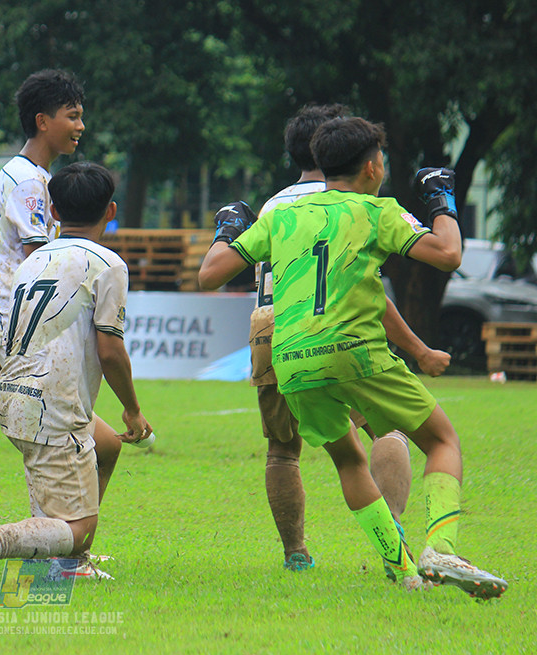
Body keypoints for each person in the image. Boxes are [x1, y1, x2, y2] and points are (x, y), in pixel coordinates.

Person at [198, 116, 507, 598]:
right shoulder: (376, 211)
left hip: (293, 360)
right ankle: (440, 547)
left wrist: (227, 229)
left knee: (347, 461)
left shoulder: (279, 216)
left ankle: (404, 571)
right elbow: (448, 254)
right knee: (443, 441)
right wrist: (441, 199)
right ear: (371, 165)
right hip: (356, 353)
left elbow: (209, 275)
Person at [245, 104, 451, 573]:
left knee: (283, 450)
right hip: (336, 329)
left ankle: (295, 552)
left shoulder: (275, 205)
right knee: (387, 427)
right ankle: (391, 529)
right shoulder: (351, 202)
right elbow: (370, 292)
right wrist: (417, 349)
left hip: (270, 332)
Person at [0, 162, 150, 589]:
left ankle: (68, 559)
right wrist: (133, 409)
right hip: (53, 402)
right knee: (78, 525)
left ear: (53, 212)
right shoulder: (108, 263)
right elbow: (110, 350)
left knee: (107, 445)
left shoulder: (31, 261)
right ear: (111, 211)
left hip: (14, 391)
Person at [0, 70, 121, 505]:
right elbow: (40, 262)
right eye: (72, 116)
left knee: (100, 443)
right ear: (43, 121)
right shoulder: (29, 181)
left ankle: (62, 539)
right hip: (18, 311)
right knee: (54, 424)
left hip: (18, 308)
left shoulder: (31, 175)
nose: (81, 126)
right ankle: (52, 544)